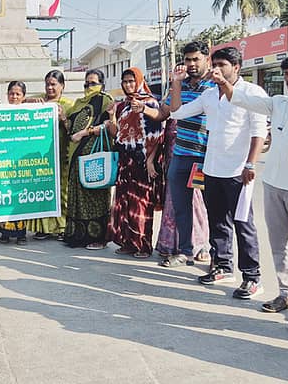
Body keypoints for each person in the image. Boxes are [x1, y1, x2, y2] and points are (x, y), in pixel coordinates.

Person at [218, 53, 288, 320]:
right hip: (273, 184)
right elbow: (243, 99)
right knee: (279, 245)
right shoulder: (277, 103)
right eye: (287, 73)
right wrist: (223, 82)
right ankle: (286, 293)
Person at [170, 47, 268, 299]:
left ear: (236, 67)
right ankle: (223, 266)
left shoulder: (251, 93)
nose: (216, 69)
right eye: (215, 64)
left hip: (238, 171)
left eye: (222, 65)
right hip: (212, 169)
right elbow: (177, 113)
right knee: (218, 222)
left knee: (243, 224)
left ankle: (252, 276)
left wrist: (250, 164)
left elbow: (259, 132)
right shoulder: (210, 95)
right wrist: (176, 84)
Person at [157, 41, 214, 267]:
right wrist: (176, 83)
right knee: (182, 207)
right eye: (187, 60)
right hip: (181, 154)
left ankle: (215, 253)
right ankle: (185, 251)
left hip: (205, 156)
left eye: (196, 59)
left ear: (207, 60)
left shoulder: (213, 86)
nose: (191, 64)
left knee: (212, 207)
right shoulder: (182, 85)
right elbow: (173, 111)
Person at [107, 67, 163, 258]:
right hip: (125, 160)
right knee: (124, 202)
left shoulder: (150, 102)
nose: (128, 85)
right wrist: (111, 116)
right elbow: (117, 134)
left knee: (141, 203)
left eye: (131, 81)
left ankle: (143, 245)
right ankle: (128, 242)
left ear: (139, 81)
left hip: (142, 161)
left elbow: (157, 135)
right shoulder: (123, 106)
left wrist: (150, 160)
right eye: (125, 82)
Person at [65, 69, 114, 249]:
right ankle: (77, 235)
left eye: (93, 83)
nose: (89, 87)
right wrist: (64, 119)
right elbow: (71, 126)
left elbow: (109, 123)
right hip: (76, 155)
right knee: (78, 194)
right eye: (86, 84)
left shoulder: (105, 100)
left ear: (101, 84)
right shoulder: (78, 103)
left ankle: (97, 237)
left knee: (94, 194)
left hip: (94, 153)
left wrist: (86, 132)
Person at [25, 70, 74, 241]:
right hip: (39, 157)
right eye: (47, 84)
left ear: (62, 86)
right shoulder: (39, 100)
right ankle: (43, 228)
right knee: (42, 190)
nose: (50, 87)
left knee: (61, 191)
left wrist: (63, 118)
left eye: (53, 84)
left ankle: (61, 227)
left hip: (61, 154)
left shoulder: (69, 105)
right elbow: (18, 102)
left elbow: (73, 130)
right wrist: (31, 102)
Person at [0, 80, 31, 245]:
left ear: (23, 96)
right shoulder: (1, 113)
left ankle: (21, 234)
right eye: (11, 93)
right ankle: (4, 233)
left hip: (21, 162)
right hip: (4, 161)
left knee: (20, 197)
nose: (14, 96)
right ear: (7, 95)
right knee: (4, 198)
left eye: (18, 94)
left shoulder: (28, 113)